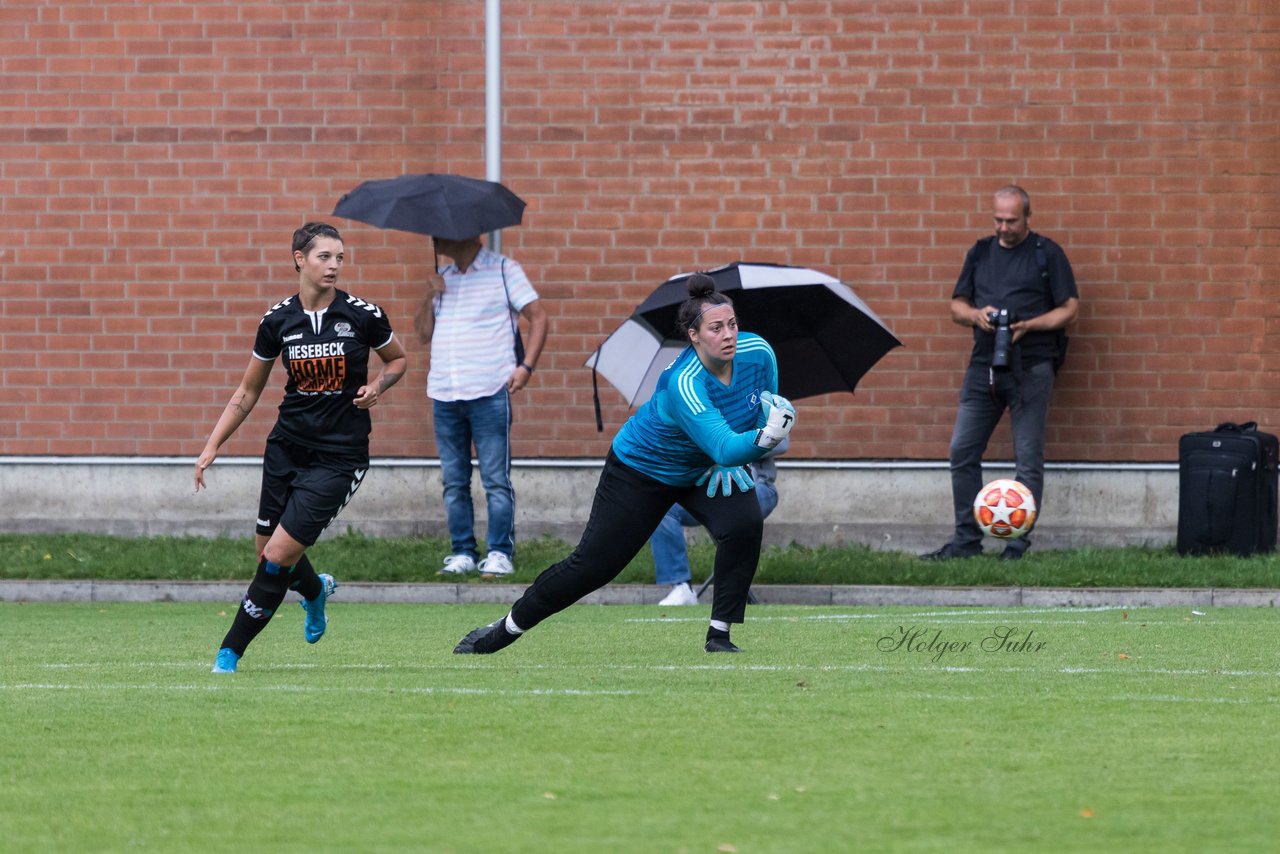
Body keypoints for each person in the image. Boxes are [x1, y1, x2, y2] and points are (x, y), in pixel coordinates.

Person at [453, 273, 797, 655]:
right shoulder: (683, 382)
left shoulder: (759, 352)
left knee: (743, 521)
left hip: (701, 468)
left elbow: (755, 408)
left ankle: (719, 635)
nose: (728, 334)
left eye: (732, 324)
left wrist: (731, 457)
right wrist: (760, 441)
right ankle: (506, 628)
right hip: (641, 470)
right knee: (592, 567)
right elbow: (733, 442)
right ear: (694, 335)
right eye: (716, 328)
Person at [196, 222, 407, 674]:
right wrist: (213, 444)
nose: (333, 266)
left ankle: (228, 653)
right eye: (324, 257)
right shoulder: (277, 320)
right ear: (299, 259)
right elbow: (248, 392)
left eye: (340, 258)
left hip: (339, 456)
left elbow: (398, 360)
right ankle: (314, 591)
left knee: (276, 557)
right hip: (286, 449)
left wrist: (378, 386)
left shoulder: (363, 315)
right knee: (266, 551)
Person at [921, 185, 1079, 562]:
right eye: (998, 220)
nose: (1004, 227)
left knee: (1027, 459)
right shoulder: (980, 253)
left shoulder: (1047, 254)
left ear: (1027, 217)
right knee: (962, 450)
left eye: (1011, 220)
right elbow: (956, 306)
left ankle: (1016, 544)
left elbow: (1070, 310)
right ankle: (966, 541)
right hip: (983, 367)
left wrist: (1030, 325)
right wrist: (977, 315)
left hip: (1032, 368)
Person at [414, 234, 548, 580]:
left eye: (442, 231)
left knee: (495, 479)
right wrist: (431, 293)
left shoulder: (504, 270)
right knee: (453, 481)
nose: (436, 237)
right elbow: (422, 334)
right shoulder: (444, 275)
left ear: (468, 234)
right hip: (445, 391)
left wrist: (526, 366)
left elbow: (538, 317)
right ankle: (462, 552)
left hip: (489, 390)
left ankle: (500, 553)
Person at [652, 438, 787, 606]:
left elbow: (782, 442)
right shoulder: (701, 412)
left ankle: (733, 589)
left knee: (737, 516)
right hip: (710, 489)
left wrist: (729, 443)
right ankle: (681, 586)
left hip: (756, 486)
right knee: (664, 509)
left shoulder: (761, 410)